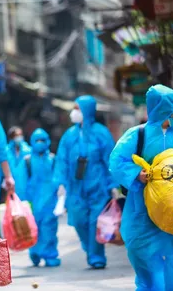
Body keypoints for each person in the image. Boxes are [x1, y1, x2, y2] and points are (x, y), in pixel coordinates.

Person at [109, 84, 173, 291]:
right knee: (142, 251)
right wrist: (135, 174)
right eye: (171, 107)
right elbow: (117, 161)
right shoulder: (137, 135)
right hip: (142, 206)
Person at [54, 95, 118, 269]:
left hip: (98, 185)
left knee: (95, 222)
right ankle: (90, 248)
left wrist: (113, 185)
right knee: (79, 219)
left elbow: (110, 159)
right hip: (76, 187)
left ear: (87, 110)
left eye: (77, 108)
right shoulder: (69, 135)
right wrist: (60, 183)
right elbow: (62, 160)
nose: (74, 113)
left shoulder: (101, 133)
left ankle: (97, 256)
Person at [25, 128, 60, 267]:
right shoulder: (27, 160)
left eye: (43, 140)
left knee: (49, 229)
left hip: (50, 202)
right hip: (32, 202)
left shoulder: (52, 159)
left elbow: (59, 179)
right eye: (37, 140)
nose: (40, 143)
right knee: (32, 229)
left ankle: (50, 255)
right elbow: (21, 182)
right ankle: (35, 253)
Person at [7, 126, 32, 199]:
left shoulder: (28, 151)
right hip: (11, 185)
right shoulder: (6, 151)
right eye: (16, 135)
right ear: (12, 137)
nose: (19, 137)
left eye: (20, 135)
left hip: (25, 184)